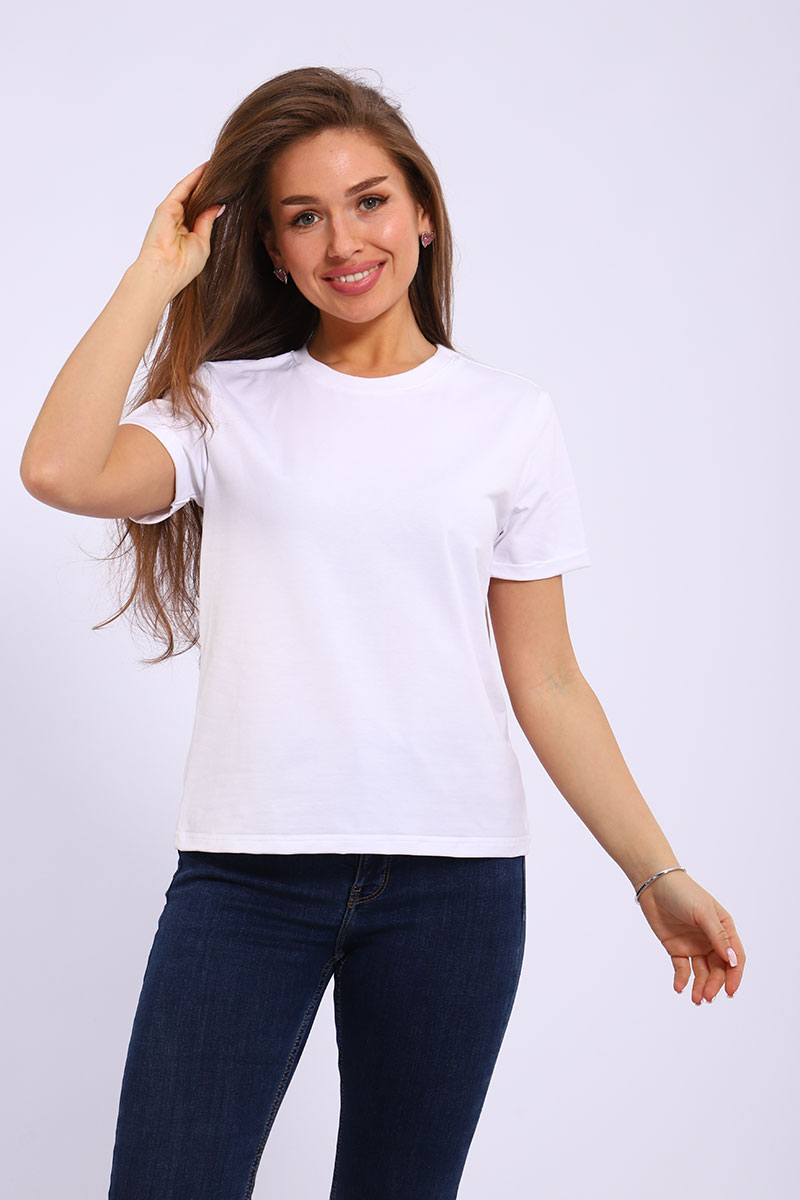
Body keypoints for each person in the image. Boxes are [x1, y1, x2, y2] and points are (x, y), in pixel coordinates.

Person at [19, 65, 746, 1200]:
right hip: (246, 877)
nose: (344, 240)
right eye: (303, 216)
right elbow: (60, 469)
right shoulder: (224, 406)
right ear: (270, 248)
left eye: (368, 201)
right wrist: (154, 275)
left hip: (452, 887)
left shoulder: (509, 421)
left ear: (421, 212)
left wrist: (655, 872)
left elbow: (549, 678)